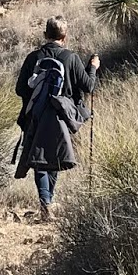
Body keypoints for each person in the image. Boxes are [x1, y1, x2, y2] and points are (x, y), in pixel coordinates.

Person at [12, 15, 99, 219]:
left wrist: (36, 98)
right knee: (53, 158)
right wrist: (93, 68)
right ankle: (46, 203)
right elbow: (88, 86)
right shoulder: (71, 58)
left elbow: (20, 89)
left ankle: (46, 203)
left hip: (36, 115)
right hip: (61, 116)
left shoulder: (33, 58)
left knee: (40, 159)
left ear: (45, 34)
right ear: (64, 37)